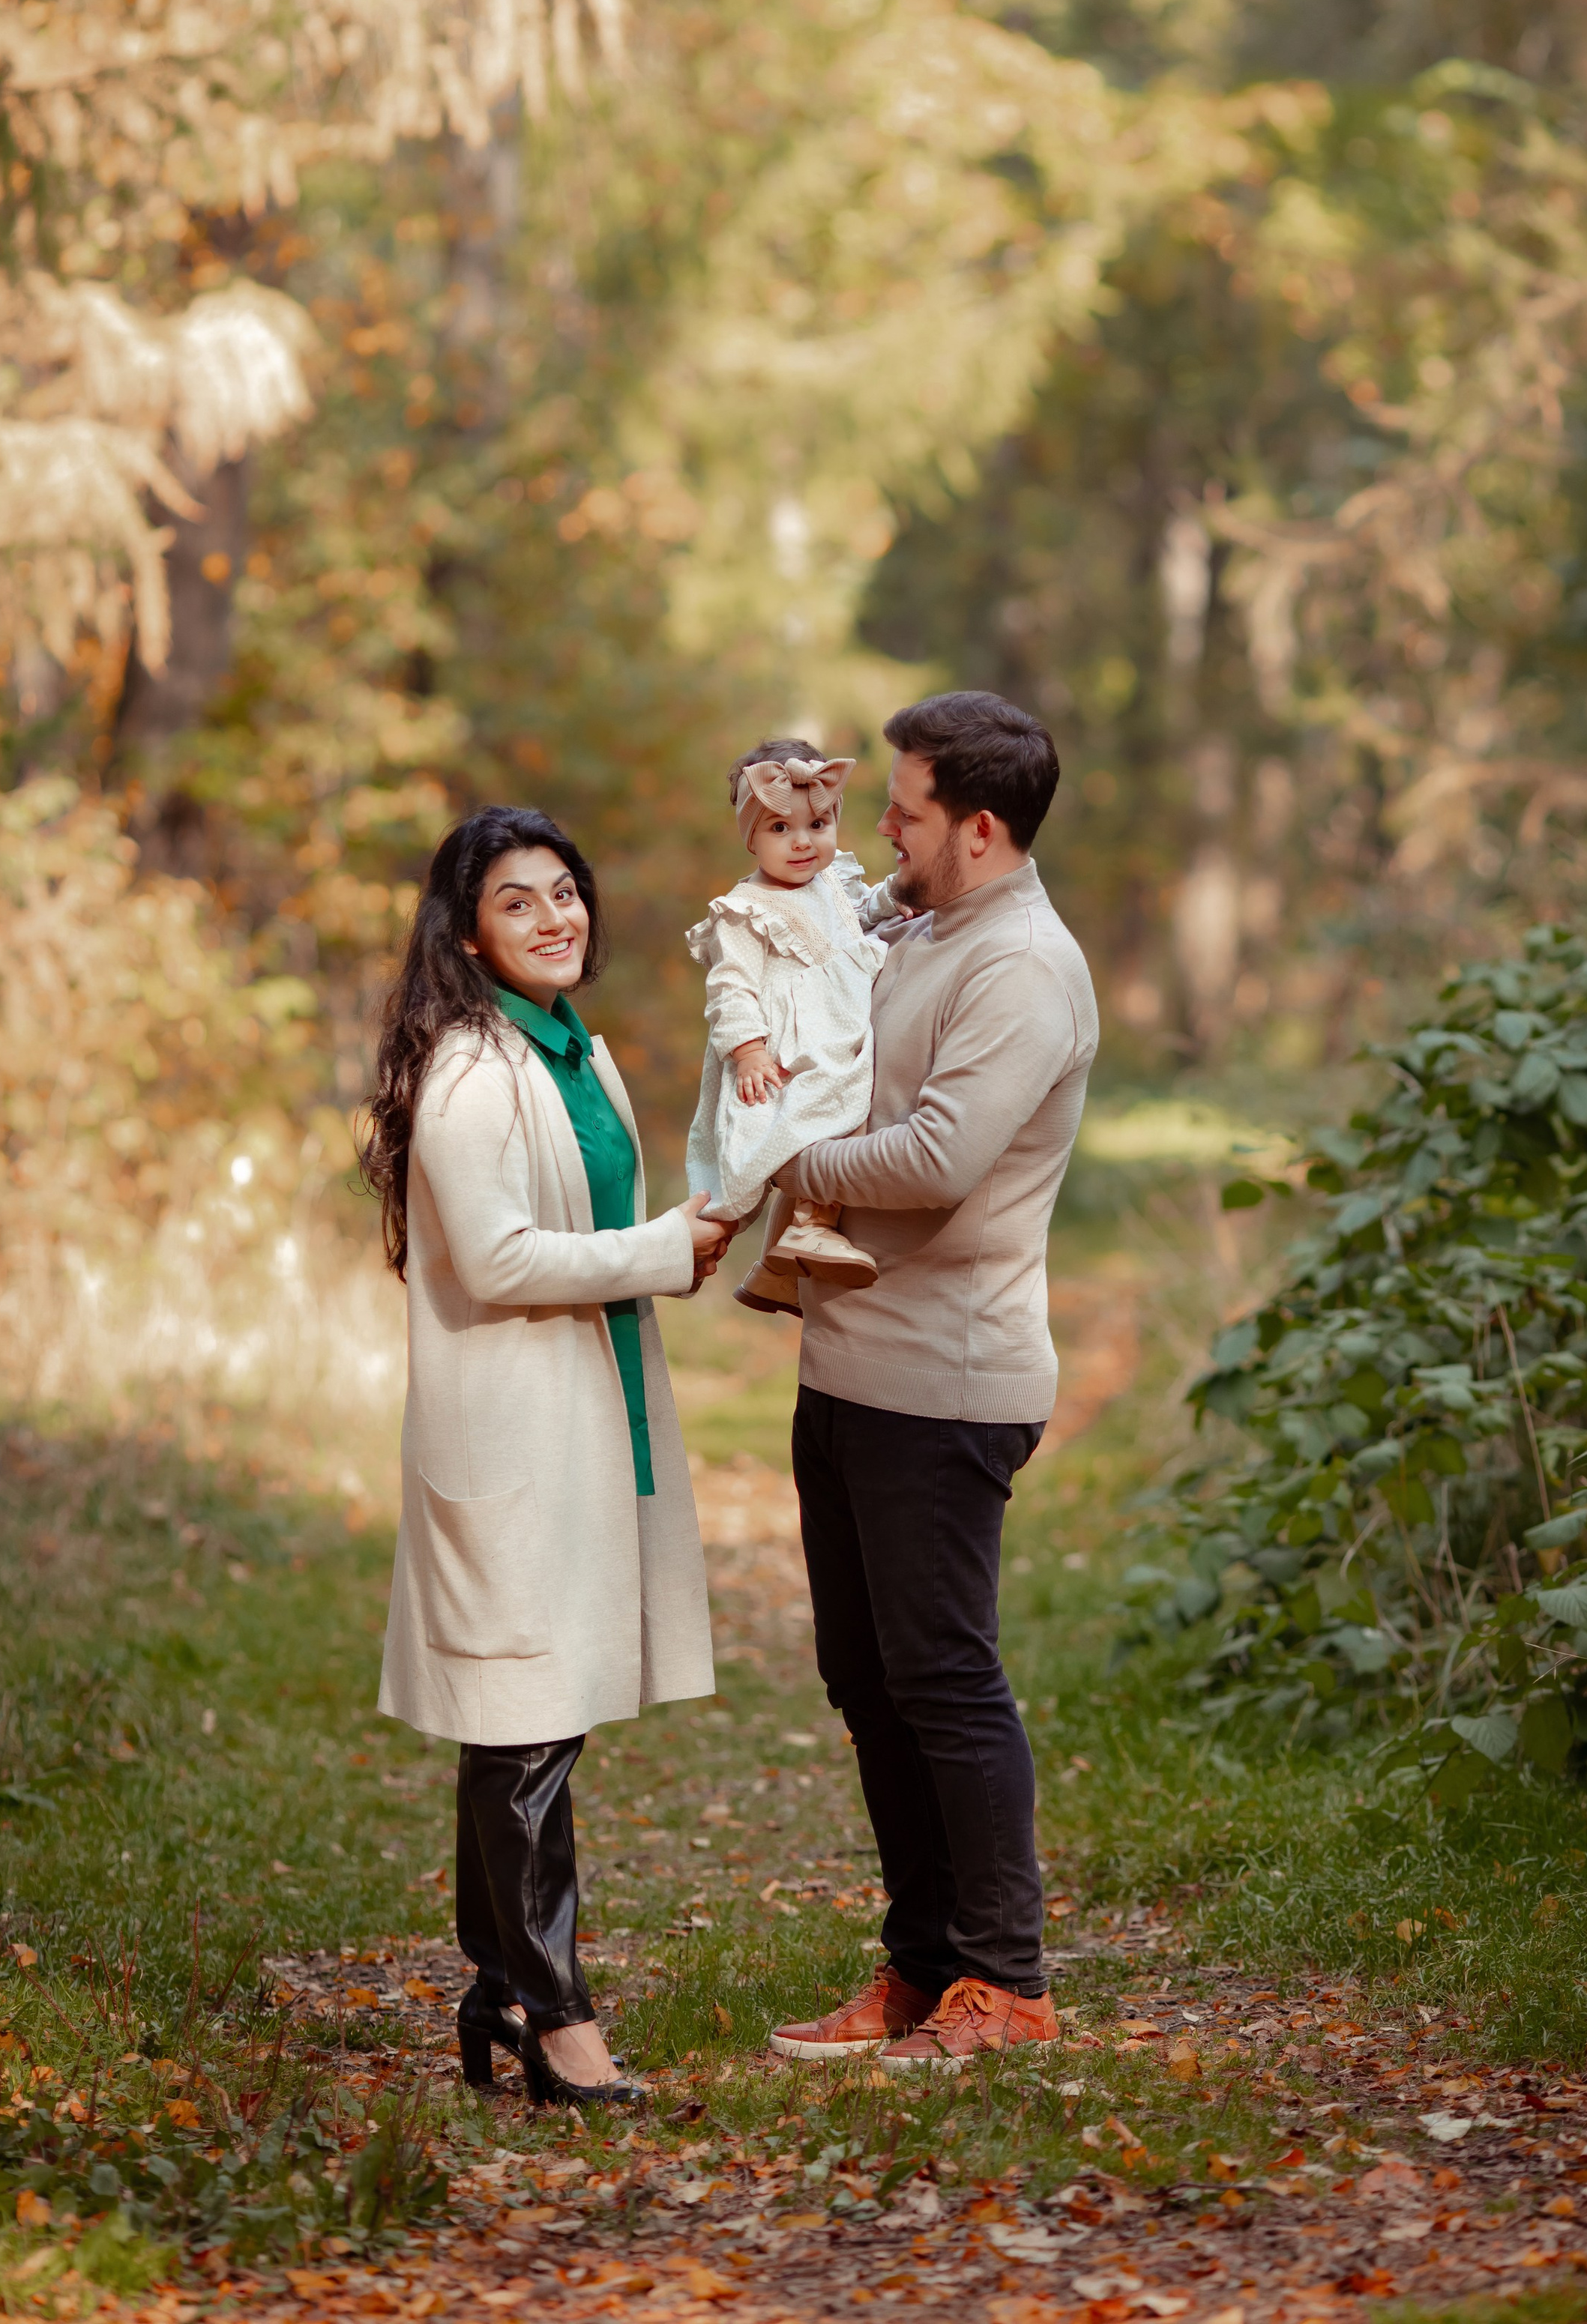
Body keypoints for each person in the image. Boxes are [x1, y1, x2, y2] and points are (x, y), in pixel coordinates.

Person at [362, 805, 729, 2110]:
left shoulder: (579, 1050)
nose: (554, 917)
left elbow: (605, 1217)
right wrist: (663, 1251)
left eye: (565, 892)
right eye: (518, 902)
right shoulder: (467, 1065)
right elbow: (501, 1254)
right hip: (513, 1424)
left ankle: (497, 1988)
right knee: (522, 1723)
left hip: (590, 1408)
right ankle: (555, 2019)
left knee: (536, 1716)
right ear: (467, 931)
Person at [763, 690, 1099, 2070]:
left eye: (903, 808)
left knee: (944, 1680)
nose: (881, 826)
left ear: (979, 827)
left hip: (948, 1383)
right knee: (868, 1677)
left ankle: (1007, 1984)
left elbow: (938, 1160)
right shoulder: (924, 921)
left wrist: (791, 1154)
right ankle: (920, 1969)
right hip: (851, 1362)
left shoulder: (1021, 964)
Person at [684, 740, 901, 1309]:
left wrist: (896, 897)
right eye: (780, 827)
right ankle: (804, 1228)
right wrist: (749, 1050)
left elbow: (860, 913)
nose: (803, 841)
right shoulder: (745, 909)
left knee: (842, 1115)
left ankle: (781, 1261)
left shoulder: (831, 881)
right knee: (815, 1119)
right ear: (750, 837)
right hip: (791, 1042)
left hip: (839, 1025)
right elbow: (730, 985)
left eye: (818, 823)